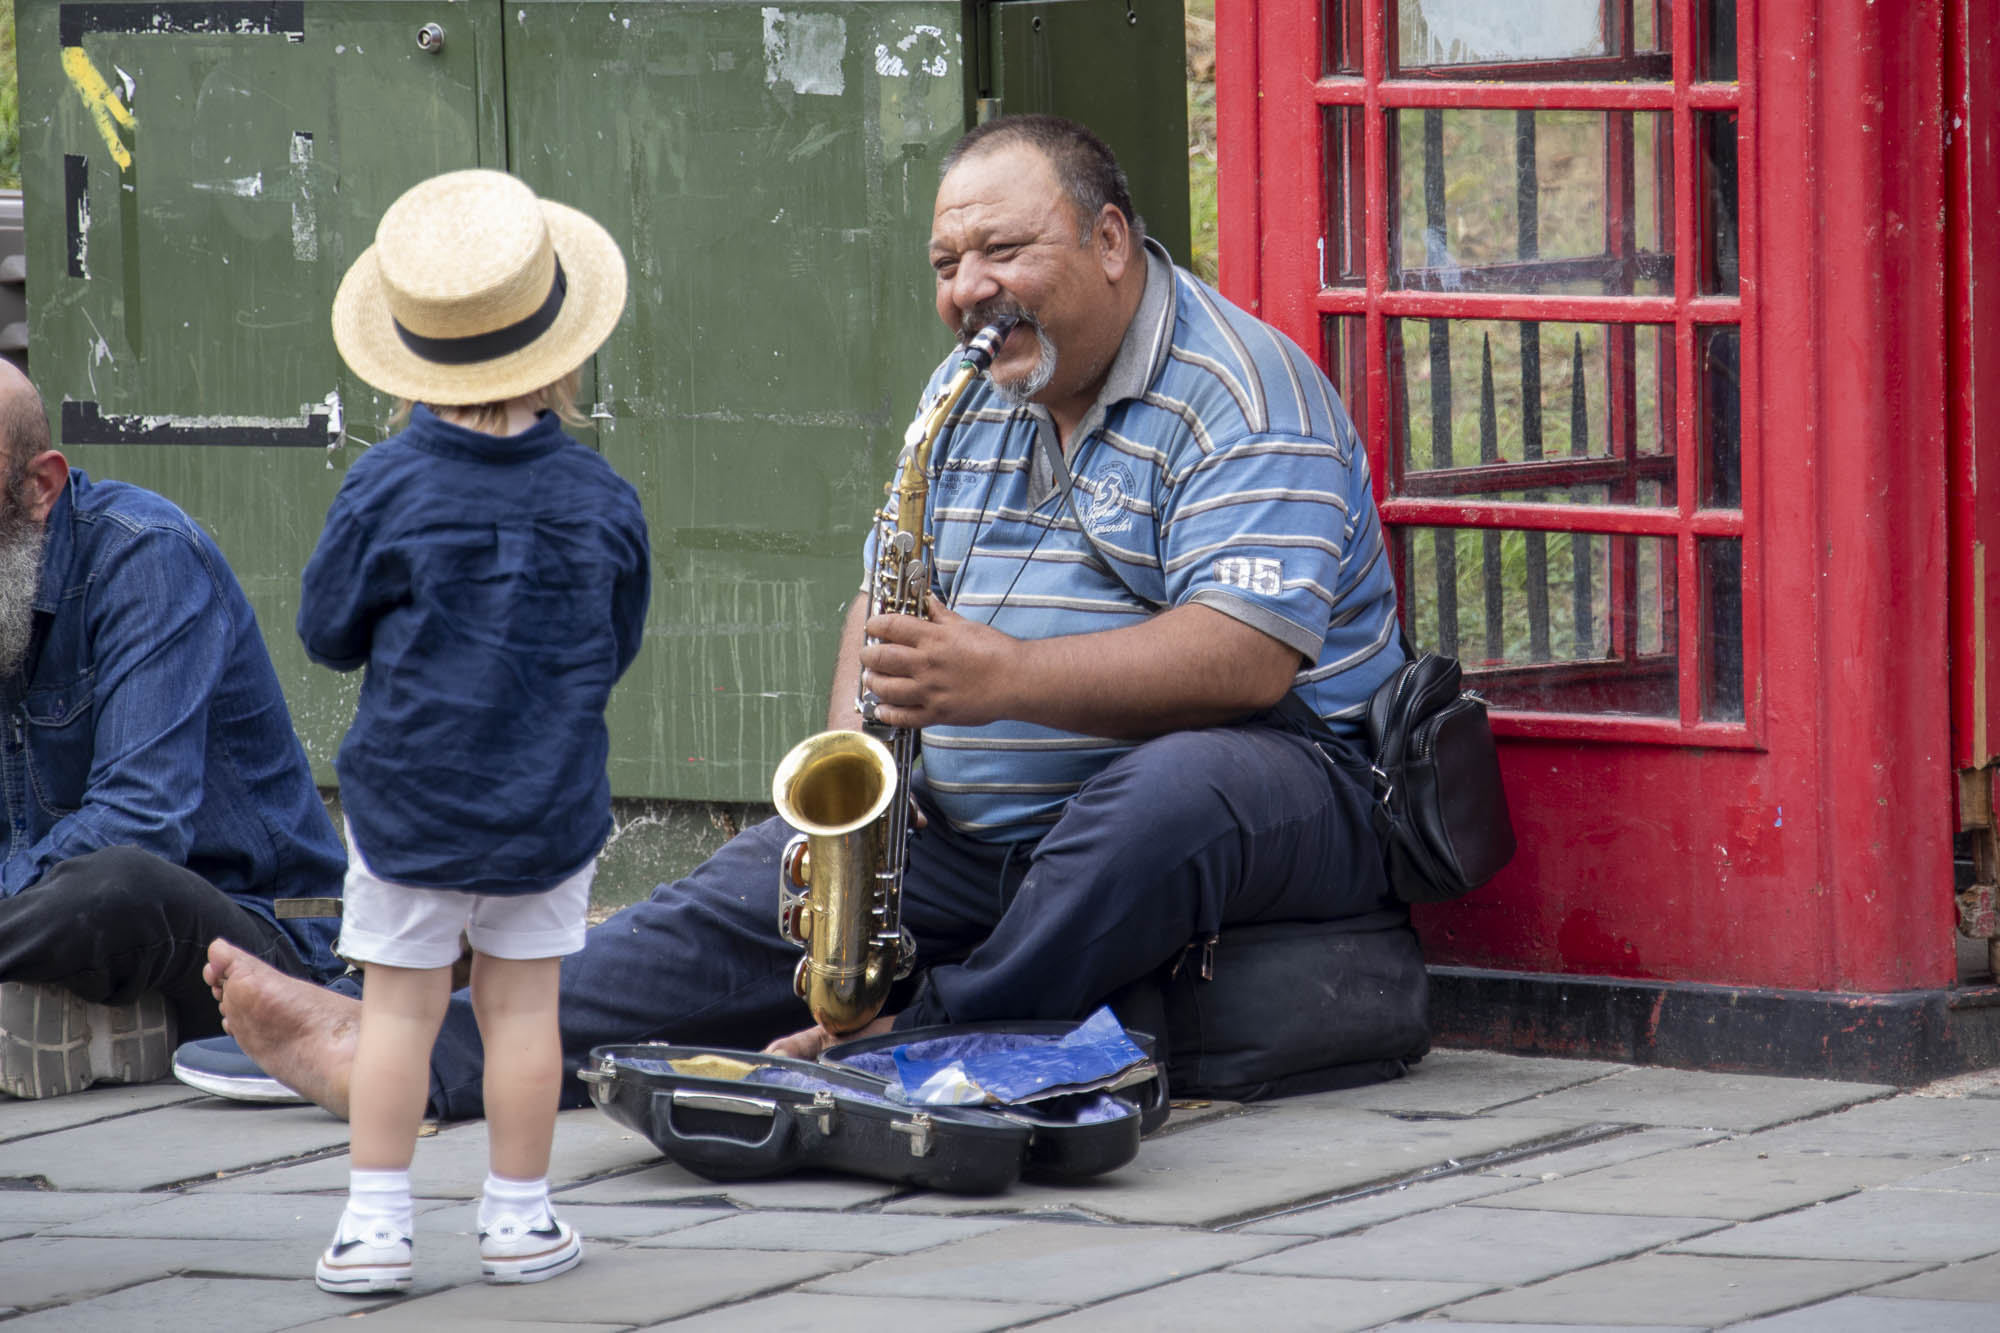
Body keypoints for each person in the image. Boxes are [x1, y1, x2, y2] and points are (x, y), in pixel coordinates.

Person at [198, 114, 1403, 1123]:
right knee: (741, 891)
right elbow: (882, 595)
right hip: (990, 826)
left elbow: (1246, 660)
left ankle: (908, 1046)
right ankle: (423, 1061)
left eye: (999, 249)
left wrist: (1001, 680)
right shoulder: (968, 389)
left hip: (1279, 787)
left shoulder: (1244, 391)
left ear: (1105, 241)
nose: (966, 291)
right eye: (943, 264)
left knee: (1167, 795)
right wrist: (855, 804)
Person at [297, 170, 648, 1296]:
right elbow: (617, 637)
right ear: (560, 346)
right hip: (548, 801)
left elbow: (326, 633)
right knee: (522, 1008)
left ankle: (374, 1225)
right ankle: (519, 1218)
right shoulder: (602, 498)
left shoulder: (382, 488)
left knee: (397, 1010)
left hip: (409, 800)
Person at [0, 360, 346, 1101]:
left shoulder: (145, 554)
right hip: (51, 925)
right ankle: (109, 1014)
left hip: (264, 933)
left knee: (117, 881)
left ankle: (119, 1007)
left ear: (41, 487)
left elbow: (136, 825)